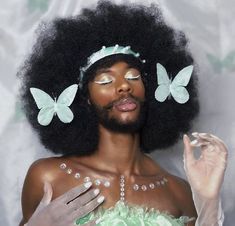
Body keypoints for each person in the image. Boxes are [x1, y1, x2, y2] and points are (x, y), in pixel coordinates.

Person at [18, 1, 227, 226]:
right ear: (86, 98)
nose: (124, 86)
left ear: (148, 90)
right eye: (106, 80)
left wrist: (208, 201)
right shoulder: (48, 177)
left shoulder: (178, 191)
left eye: (133, 77)